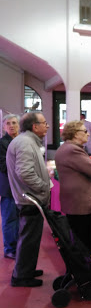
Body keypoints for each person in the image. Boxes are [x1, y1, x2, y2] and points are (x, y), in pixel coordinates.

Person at [6, 111, 50, 287]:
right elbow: (25, 173)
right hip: (29, 198)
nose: (47, 126)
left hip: (29, 197)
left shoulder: (28, 141)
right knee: (28, 238)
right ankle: (21, 276)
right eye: (44, 122)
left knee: (30, 238)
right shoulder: (25, 143)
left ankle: (26, 269)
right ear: (34, 126)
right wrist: (43, 186)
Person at [55, 121, 91, 252]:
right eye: (85, 131)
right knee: (83, 240)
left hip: (73, 202)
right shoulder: (73, 150)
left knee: (77, 237)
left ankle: (80, 268)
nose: (88, 134)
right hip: (79, 204)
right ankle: (85, 269)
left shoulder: (66, 148)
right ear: (76, 134)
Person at [0, 114, 20, 260]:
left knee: (20, 219)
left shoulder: (22, 141)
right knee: (9, 219)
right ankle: (9, 248)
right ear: (3, 127)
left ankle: (18, 247)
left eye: (14, 122)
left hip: (22, 187)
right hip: (8, 188)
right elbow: (3, 165)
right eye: (8, 123)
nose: (11, 125)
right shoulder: (2, 143)